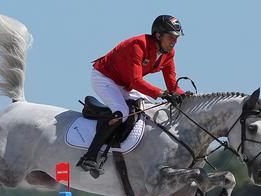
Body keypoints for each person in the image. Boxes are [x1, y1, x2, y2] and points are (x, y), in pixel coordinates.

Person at [77, 15, 186, 172]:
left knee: (148, 108)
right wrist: (162, 93)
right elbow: (136, 81)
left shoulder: (169, 53)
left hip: (123, 83)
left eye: (176, 38)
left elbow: (172, 85)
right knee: (122, 112)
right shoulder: (138, 45)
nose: (174, 41)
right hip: (104, 77)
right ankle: (90, 156)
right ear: (158, 35)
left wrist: (184, 95)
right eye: (171, 37)